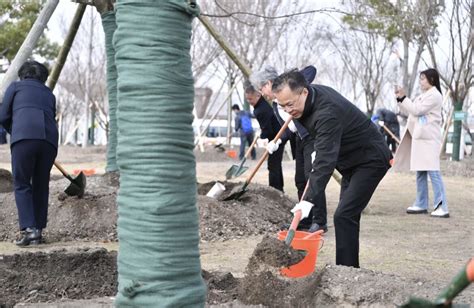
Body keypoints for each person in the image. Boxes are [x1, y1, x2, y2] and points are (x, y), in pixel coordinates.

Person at [272, 70, 392, 268]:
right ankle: (348, 269)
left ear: (303, 92)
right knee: (347, 217)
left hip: (370, 159)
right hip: (350, 162)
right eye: (282, 106)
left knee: (344, 214)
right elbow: (315, 142)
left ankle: (346, 271)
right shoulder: (304, 105)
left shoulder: (327, 112)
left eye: (290, 104)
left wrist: (308, 199)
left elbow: (325, 161)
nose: (287, 111)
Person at [250, 65, 327, 233]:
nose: (262, 93)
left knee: (311, 178)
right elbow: (288, 128)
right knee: (300, 180)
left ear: (269, 83)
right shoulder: (276, 106)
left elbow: (311, 70)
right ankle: (305, 219)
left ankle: (320, 221)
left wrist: (293, 79)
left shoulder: (291, 91)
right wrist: (276, 142)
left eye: (262, 88)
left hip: (311, 137)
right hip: (300, 140)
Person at [0, 60, 58, 246]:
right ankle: (38, 231)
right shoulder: (49, 94)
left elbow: (3, 116)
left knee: (22, 183)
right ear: (43, 78)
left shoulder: (15, 87)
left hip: (24, 137)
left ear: (22, 75)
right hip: (49, 140)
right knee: (41, 184)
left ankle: (29, 230)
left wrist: (16, 131)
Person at [393, 68, 449, 218]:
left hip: (429, 139)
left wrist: (404, 98)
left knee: (433, 172)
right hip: (421, 138)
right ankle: (421, 203)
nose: (421, 81)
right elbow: (410, 111)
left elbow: (416, 110)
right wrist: (400, 99)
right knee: (421, 172)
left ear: (432, 80)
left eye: (423, 79)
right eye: (420, 79)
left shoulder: (435, 96)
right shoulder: (423, 96)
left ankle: (441, 206)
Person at [244, 83, 285, 192]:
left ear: (258, 95)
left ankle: (275, 190)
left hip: (277, 137)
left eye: (250, 99)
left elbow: (268, 130)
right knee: (275, 164)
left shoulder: (260, 110)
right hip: (278, 135)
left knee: (273, 165)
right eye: (247, 99)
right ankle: (279, 189)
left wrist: (262, 136)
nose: (249, 102)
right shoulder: (261, 106)